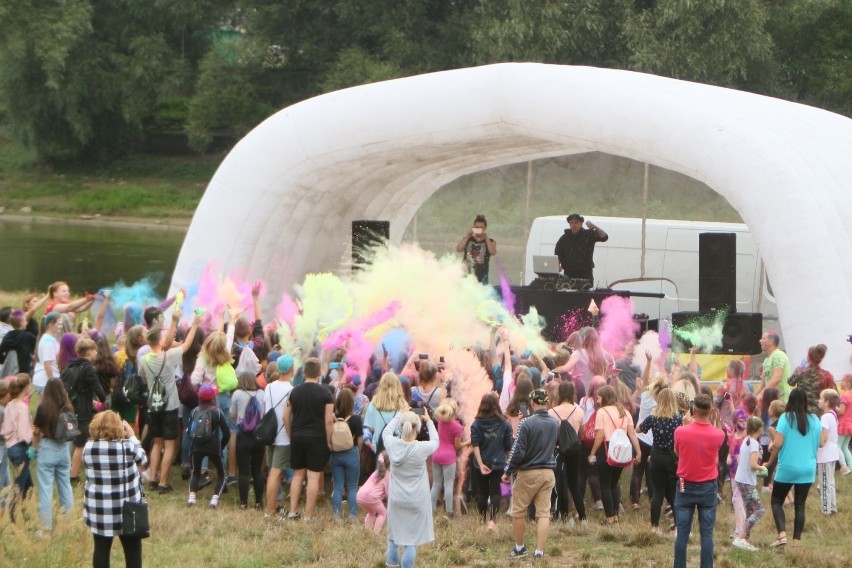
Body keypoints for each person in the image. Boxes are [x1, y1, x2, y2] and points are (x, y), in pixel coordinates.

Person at [138, 312, 200, 494]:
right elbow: (187, 344)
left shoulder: (144, 359)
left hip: (153, 404)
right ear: (160, 340)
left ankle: (153, 477)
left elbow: (143, 377)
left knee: (157, 442)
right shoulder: (169, 356)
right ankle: (164, 483)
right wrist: (195, 324)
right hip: (170, 405)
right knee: (171, 444)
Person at [83, 410, 147, 568]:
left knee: (101, 550)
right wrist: (132, 436)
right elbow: (144, 461)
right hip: (127, 508)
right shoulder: (127, 446)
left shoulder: (88, 448)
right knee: (132, 551)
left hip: (99, 508)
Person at [502, 389, 558, 560]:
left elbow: (517, 451)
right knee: (543, 513)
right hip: (548, 472)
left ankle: (520, 548)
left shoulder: (526, 423)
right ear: (547, 403)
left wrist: (507, 471)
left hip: (529, 472)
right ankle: (539, 552)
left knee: (518, 511)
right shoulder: (555, 423)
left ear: (532, 403)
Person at [673, 393, 725, 568]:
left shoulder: (680, 431)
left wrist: (686, 424)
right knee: (707, 533)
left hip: (684, 483)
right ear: (710, 410)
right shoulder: (719, 435)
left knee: (682, 533)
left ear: (693, 410)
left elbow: (678, 452)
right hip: (708, 485)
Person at [383, 409, 439, 568]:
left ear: (401, 427)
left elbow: (386, 432)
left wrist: (398, 416)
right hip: (416, 500)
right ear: (417, 428)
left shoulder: (392, 444)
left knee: (393, 538)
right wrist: (429, 421)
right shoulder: (422, 448)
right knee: (411, 542)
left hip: (396, 499)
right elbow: (436, 441)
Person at [769, 388, 821, 547]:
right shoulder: (814, 419)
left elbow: (778, 442)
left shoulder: (786, 417)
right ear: (806, 402)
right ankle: (796, 543)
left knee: (777, 500)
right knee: (800, 505)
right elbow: (821, 443)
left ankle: (782, 534)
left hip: (788, 467)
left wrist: (771, 447)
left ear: (790, 402)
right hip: (808, 469)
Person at [284, 356, 334, 521]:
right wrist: (329, 440)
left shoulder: (294, 391)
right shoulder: (326, 393)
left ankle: (292, 511)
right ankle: (308, 515)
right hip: (317, 437)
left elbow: (286, 416)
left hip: (298, 435)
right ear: (319, 373)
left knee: (298, 475)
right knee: (313, 477)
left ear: (304, 372)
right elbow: (328, 420)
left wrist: (291, 434)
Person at [588, 384, 642, 525]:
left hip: (606, 449)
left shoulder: (602, 412)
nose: (597, 400)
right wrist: (638, 451)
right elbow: (632, 434)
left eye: (598, 397)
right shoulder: (624, 412)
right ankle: (616, 516)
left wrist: (592, 452)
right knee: (614, 484)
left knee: (605, 485)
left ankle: (610, 517)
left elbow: (600, 435)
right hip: (622, 451)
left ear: (604, 397)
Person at [61, 337, 107, 483]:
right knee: (80, 444)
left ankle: (80, 469)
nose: (96, 354)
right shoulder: (88, 368)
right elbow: (99, 391)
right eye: (95, 351)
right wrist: (103, 401)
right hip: (83, 410)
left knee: (79, 440)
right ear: (89, 351)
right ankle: (73, 476)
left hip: (70, 408)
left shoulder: (69, 367)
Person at [637, 387, 682, 533]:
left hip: (655, 457)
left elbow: (638, 429)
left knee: (657, 494)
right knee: (674, 493)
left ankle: (654, 527)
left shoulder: (653, 418)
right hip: (671, 458)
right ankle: (677, 527)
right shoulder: (677, 419)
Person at [32, 378, 75, 530]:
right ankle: (68, 523)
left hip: (48, 447)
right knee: (65, 486)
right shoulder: (67, 407)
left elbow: (36, 430)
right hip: (63, 448)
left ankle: (45, 526)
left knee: (45, 488)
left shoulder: (43, 408)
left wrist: (34, 448)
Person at [470, 391, 513, 528]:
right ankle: (492, 522)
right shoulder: (504, 423)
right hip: (498, 462)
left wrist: (481, 463)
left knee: (482, 493)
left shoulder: (476, 423)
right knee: (495, 493)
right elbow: (508, 446)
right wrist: (508, 463)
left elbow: (475, 444)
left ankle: (481, 520)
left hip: (480, 463)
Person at [548, 380, 586, 523]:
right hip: (575, 450)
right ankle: (582, 515)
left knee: (558, 482)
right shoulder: (579, 411)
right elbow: (581, 433)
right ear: (572, 393)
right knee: (573, 483)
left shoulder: (552, 412)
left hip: (558, 450)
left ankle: (559, 513)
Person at [187, 384, 230, 508]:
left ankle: (192, 498)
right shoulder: (217, 411)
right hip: (214, 447)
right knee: (221, 474)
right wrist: (221, 446)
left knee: (196, 472)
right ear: (213, 398)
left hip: (197, 447)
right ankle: (214, 500)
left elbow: (189, 432)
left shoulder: (194, 411)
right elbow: (226, 432)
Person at [263, 355, 295, 517]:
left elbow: (265, 409)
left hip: (269, 433)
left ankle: (273, 505)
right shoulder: (292, 390)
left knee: (273, 472)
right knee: (276, 473)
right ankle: (269, 510)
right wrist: (291, 435)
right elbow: (287, 416)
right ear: (291, 370)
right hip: (283, 436)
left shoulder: (268, 387)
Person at [230, 370, 266, 510]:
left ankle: (243, 503)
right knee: (257, 470)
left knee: (244, 471)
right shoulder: (262, 394)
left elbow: (233, 414)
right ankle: (258, 502)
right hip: (259, 436)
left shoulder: (237, 394)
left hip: (243, 436)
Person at [732, 416, 766, 552]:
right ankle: (740, 537)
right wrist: (762, 468)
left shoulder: (746, 440)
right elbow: (753, 464)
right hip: (747, 481)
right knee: (759, 510)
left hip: (740, 479)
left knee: (749, 510)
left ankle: (744, 540)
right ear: (759, 429)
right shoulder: (754, 443)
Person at [330, 387, 363, 520]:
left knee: (338, 486)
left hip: (336, 454)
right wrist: (358, 453)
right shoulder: (356, 419)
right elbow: (360, 440)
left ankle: (336, 515)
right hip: (351, 453)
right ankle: (353, 515)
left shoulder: (333, 418)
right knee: (352, 487)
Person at [430, 398, 466, 517]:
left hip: (436, 454)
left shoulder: (440, 422)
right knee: (448, 485)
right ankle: (449, 511)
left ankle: (432, 509)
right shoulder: (457, 427)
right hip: (449, 457)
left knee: (436, 484)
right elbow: (457, 445)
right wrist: (467, 442)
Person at [2, 374, 34, 502]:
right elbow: (23, 434)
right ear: (26, 387)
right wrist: (32, 432)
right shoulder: (22, 407)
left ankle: (26, 514)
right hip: (21, 449)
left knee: (29, 486)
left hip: (10, 447)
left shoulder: (9, 405)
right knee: (19, 487)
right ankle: (14, 515)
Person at [553, 213, 608, 285]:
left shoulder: (588, 234)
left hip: (585, 275)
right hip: (568, 275)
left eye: (576, 222)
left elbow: (604, 237)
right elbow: (557, 254)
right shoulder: (564, 238)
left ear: (581, 223)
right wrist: (558, 265)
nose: (573, 225)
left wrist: (594, 226)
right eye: (571, 223)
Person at [816, 389, 841, 516]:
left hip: (825, 454)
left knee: (824, 483)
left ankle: (826, 511)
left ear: (826, 402)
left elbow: (823, 438)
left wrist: (816, 445)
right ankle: (832, 507)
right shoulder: (833, 415)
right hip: (832, 453)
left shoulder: (825, 417)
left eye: (820, 398)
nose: (818, 401)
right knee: (830, 482)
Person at [787, 344, 829, 415]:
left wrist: (801, 367)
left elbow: (790, 382)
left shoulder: (800, 371)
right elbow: (833, 394)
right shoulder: (826, 375)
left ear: (808, 357)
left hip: (803, 411)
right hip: (819, 412)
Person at [455, 214, 497, 284]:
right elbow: (459, 249)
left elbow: (493, 252)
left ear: (485, 228)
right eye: (477, 227)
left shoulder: (490, 241)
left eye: (481, 228)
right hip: (467, 276)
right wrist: (468, 235)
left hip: (482, 277)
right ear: (473, 228)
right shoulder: (467, 239)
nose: (479, 230)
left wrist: (486, 237)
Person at [357, 451, 391, 535]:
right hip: (372, 497)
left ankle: (366, 531)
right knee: (383, 513)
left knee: (371, 512)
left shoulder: (376, 473)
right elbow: (387, 493)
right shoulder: (388, 475)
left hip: (360, 495)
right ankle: (376, 533)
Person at [755, 330, 792, 403]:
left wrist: (762, 394)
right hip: (771, 402)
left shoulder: (778, 355)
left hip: (782, 401)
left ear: (771, 342)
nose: (760, 341)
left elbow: (777, 377)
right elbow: (764, 383)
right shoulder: (766, 360)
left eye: (763, 338)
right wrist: (754, 396)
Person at [32, 312, 62, 395]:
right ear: (51, 324)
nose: (61, 326)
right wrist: (52, 382)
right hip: (45, 381)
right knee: (48, 407)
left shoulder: (50, 339)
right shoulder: (47, 341)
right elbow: (47, 363)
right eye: (59, 324)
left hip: (45, 379)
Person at [837, 374, 852, 476]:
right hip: (850, 424)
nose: (840, 383)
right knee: (845, 446)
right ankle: (850, 466)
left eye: (842, 381)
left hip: (843, 424)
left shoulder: (844, 397)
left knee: (837, 446)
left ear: (847, 383)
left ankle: (844, 467)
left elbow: (841, 411)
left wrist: (833, 407)